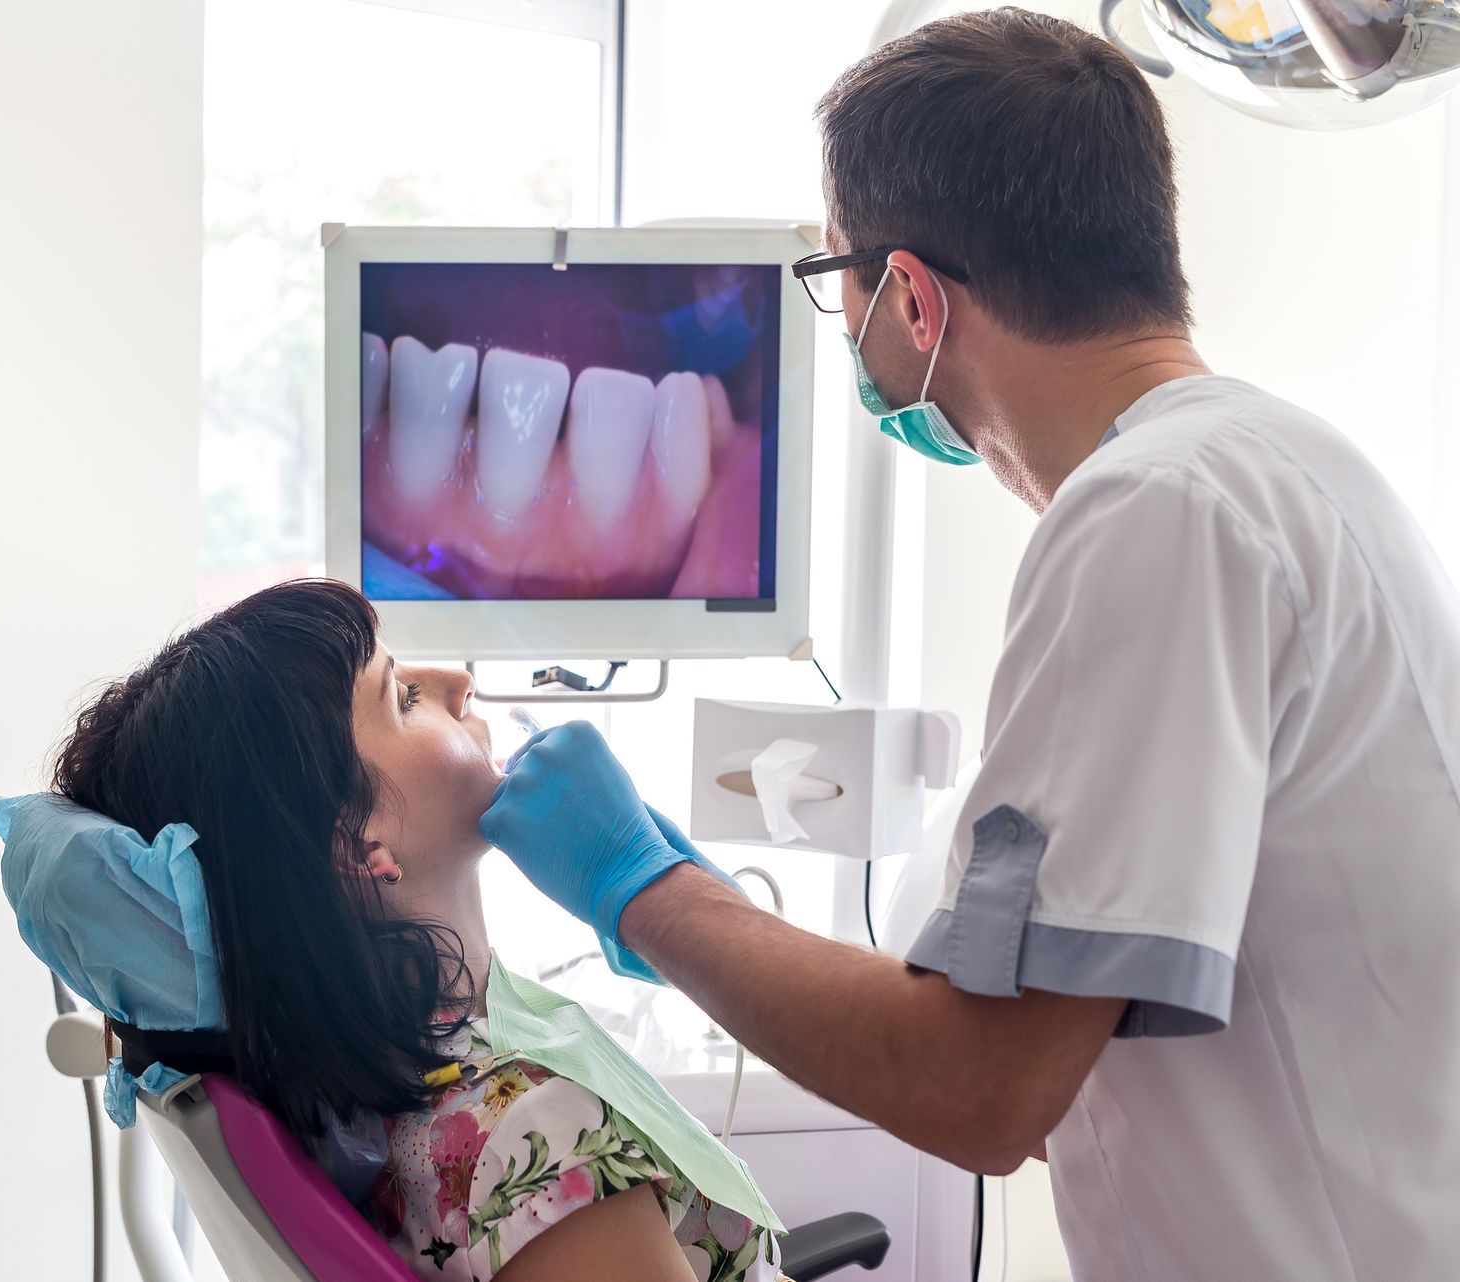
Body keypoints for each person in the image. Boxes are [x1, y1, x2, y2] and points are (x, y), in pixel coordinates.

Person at [481, 10, 1460, 1281]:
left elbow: (987, 1094)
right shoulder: (1285, 466)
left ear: (912, 299)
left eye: (834, 283)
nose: (845, 330)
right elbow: (1076, 1049)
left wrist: (639, 890)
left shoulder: (1156, 512)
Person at [1, 579, 786, 1282]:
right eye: (403, 697)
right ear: (354, 845)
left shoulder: (367, 1101)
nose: (458, 682)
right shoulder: (531, 1136)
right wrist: (650, 893)